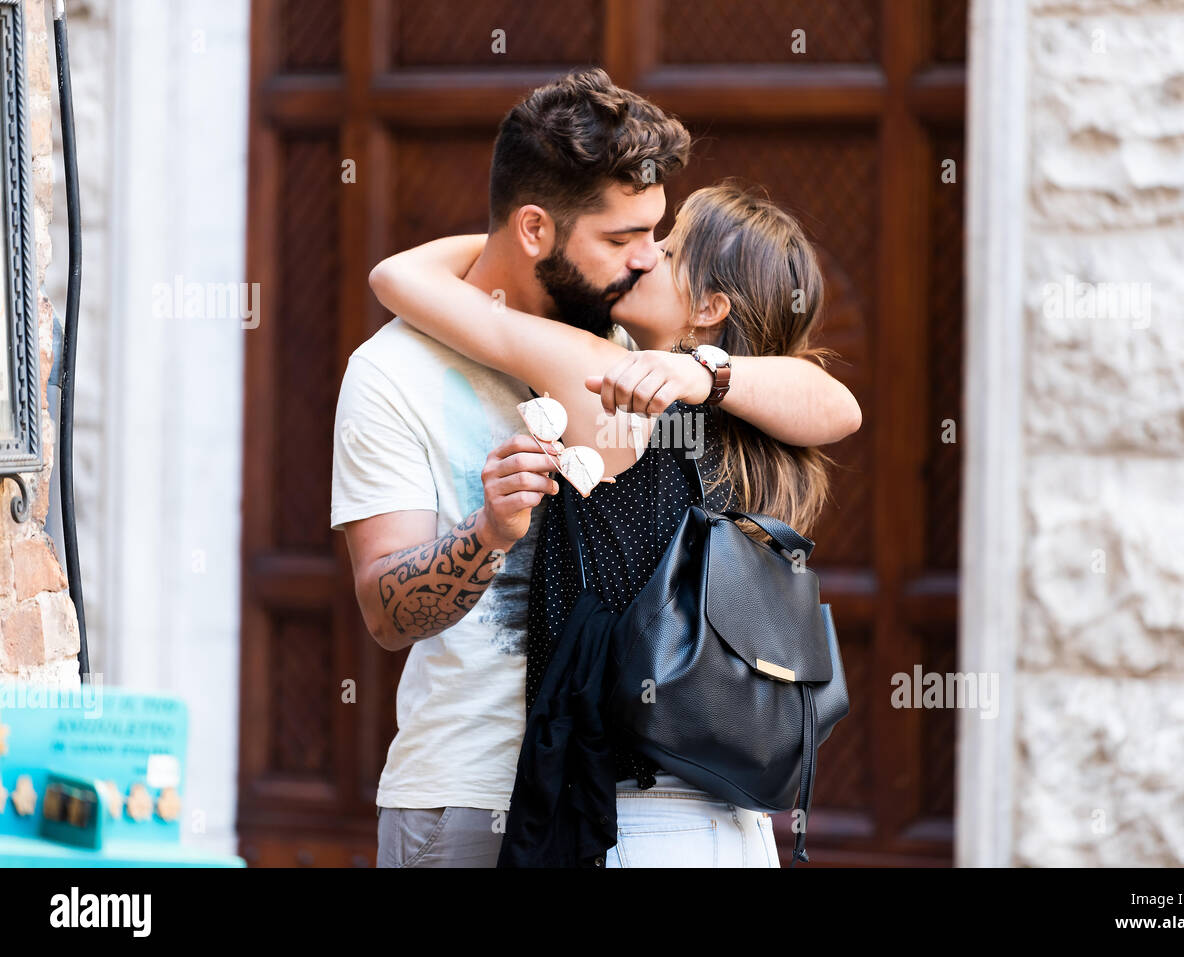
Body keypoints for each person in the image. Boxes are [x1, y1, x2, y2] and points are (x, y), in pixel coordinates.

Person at [332, 67, 860, 867]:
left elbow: (396, 277)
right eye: (627, 240)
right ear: (538, 230)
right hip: (482, 790)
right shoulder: (394, 373)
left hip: (611, 802)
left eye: (662, 240)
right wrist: (488, 532)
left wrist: (701, 371)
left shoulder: (623, 360)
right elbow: (382, 611)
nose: (645, 261)